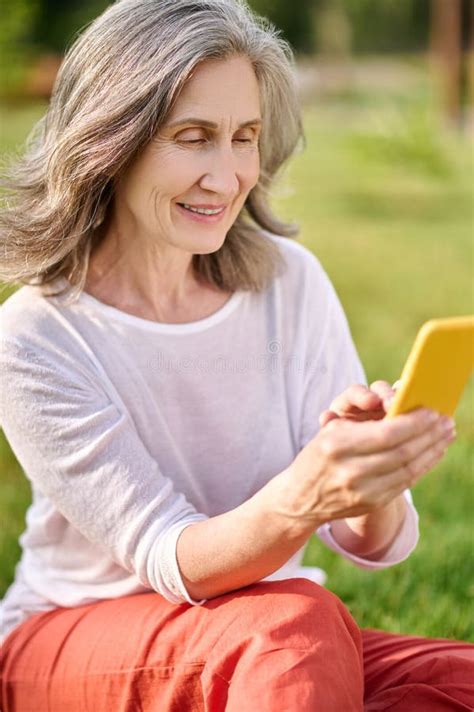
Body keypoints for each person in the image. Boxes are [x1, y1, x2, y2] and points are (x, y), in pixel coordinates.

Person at [0, 1, 472, 710]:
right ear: (110, 142)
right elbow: (171, 559)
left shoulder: (289, 281)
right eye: (193, 138)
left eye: (243, 137)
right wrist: (303, 494)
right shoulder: (36, 337)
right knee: (293, 632)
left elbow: (371, 542)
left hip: (261, 631)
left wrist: (369, 483)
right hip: (72, 638)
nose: (227, 178)